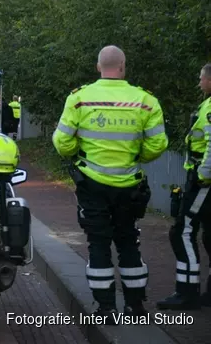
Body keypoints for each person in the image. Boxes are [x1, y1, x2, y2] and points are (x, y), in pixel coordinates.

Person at [52, 45, 168, 318]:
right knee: (128, 240)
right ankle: (136, 306)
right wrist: (136, 155)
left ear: (98, 67)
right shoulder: (145, 101)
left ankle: (105, 309)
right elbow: (158, 144)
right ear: (123, 66)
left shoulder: (79, 99)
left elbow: (62, 142)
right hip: (129, 185)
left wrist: (79, 153)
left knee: (98, 242)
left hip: (91, 184)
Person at [157, 63, 211, 310]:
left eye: (201, 78)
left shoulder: (210, 107)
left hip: (203, 182)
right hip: (202, 179)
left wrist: (203, 175)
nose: (199, 83)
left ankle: (187, 292)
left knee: (182, 231)